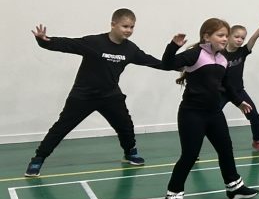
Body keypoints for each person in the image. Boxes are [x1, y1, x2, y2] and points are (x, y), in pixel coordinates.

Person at [25, 9, 164, 177]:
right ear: (113, 24)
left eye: (132, 27)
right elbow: (68, 44)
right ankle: (38, 159)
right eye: (125, 26)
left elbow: (152, 61)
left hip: (110, 95)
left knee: (125, 125)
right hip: (83, 95)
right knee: (61, 128)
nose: (128, 30)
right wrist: (44, 41)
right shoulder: (94, 42)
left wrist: (178, 66)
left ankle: (130, 153)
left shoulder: (130, 49)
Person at [160, 18, 259, 199]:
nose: (225, 39)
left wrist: (239, 102)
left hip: (214, 113)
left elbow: (227, 85)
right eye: (220, 35)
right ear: (207, 37)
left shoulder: (222, 59)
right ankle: (172, 196)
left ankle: (234, 188)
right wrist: (173, 46)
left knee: (226, 149)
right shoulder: (195, 54)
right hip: (192, 114)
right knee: (190, 155)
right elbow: (167, 64)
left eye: (226, 35)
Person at [224, 10, 259, 152]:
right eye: (236, 37)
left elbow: (255, 37)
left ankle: (257, 141)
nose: (240, 40)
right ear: (228, 37)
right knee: (208, 118)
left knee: (254, 116)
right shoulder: (220, 53)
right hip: (221, 92)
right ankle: (194, 149)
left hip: (239, 91)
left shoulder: (242, 51)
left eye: (242, 38)